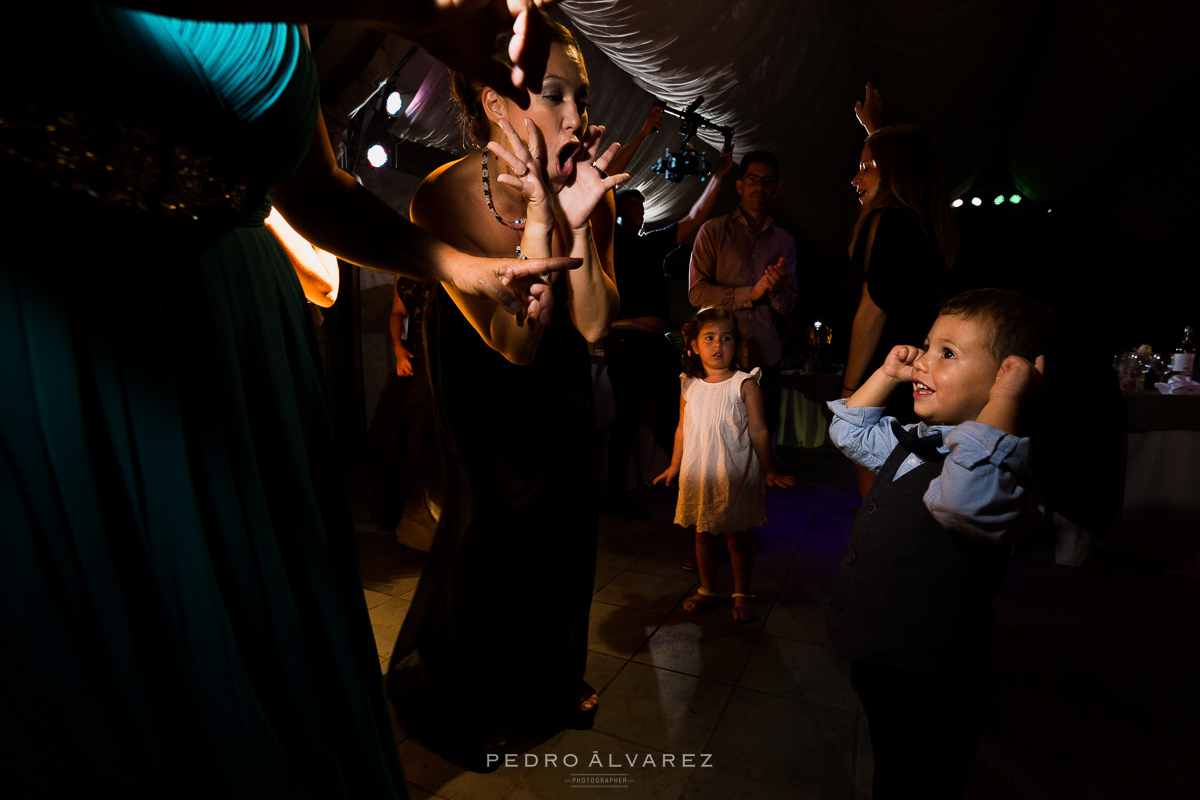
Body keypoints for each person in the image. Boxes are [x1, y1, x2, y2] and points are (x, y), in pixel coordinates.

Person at [0, 2, 579, 797]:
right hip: (86, 328)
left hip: (244, 349)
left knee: (275, 658)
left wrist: (461, 269)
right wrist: (412, 13)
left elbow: (314, 192)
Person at [386, 18, 625, 764]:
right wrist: (538, 220)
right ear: (495, 102)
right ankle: (475, 698)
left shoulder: (593, 193)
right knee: (488, 542)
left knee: (562, 538)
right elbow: (512, 342)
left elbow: (590, 327)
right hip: (486, 391)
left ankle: (552, 686)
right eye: (553, 95)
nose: (575, 117)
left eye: (579, 99)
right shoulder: (443, 196)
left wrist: (576, 221)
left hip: (560, 394)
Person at [827, 288, 1052, 798]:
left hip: (930, 682)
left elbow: (961, 501)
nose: (922, 361)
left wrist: (1006, 402)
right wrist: (886, 373)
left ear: (1005, 377)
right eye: (927, 345)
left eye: (946, 353)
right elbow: (849, 434)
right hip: (884, 664)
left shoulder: (998, 477)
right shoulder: (924, 439)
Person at [603, 107, 734, 519]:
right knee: (628, 417)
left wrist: (718, 177)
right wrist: (643, 132)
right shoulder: (609, 239)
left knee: (679, 407)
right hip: (625, 340)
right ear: (619, 210)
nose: (639, 211)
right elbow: (603, 184)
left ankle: (691, 483)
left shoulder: (650, 242)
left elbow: (694, 220)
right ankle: (613, 494)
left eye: (642, 207)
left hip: (654, 344)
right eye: (632, 206)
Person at [841, 83, 956, 497]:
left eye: (866, 167)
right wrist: (874, 129)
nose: (855, 179)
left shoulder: (885, 219)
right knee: (911, 489)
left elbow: (873, 312)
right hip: (922, 376)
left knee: (876, 492)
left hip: (885, 376)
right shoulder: (930, 226)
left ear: (895, 173)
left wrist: (852, 390)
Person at [653, 308, 794, 623]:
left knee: (736, 537)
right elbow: (682, 428)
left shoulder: (745, 384)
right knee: (702, 535)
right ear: (694, 345)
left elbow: (759, 430)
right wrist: (675, 465)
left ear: (738, 345)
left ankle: (742, 591)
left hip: (733, 474)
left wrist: (770, 469)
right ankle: (708, 588)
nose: (718, 345)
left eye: (726, 338)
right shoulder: (688, 383)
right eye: (710, 338)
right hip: (699, 472)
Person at [689, 150, 798, 434]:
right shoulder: (712, 231)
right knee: (721, 433)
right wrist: (752, 291)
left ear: (775, 188)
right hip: (720, 355)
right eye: (752, 179)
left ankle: (765, 477)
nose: (759, 187)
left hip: (766, 355)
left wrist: (775, 290)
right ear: (739, 186)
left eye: (766, 181)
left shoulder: (784, 241)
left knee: (764, 432)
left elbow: (788, 306)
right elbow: (697, 294)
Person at [364, 277, 440, 551]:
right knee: (410, 449)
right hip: (416, 364)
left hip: (448, 367)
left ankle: (450, 534)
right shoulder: (403, 271)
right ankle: (419, 534)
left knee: (442, 451)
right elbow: (398, 313)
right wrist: (398, 348)